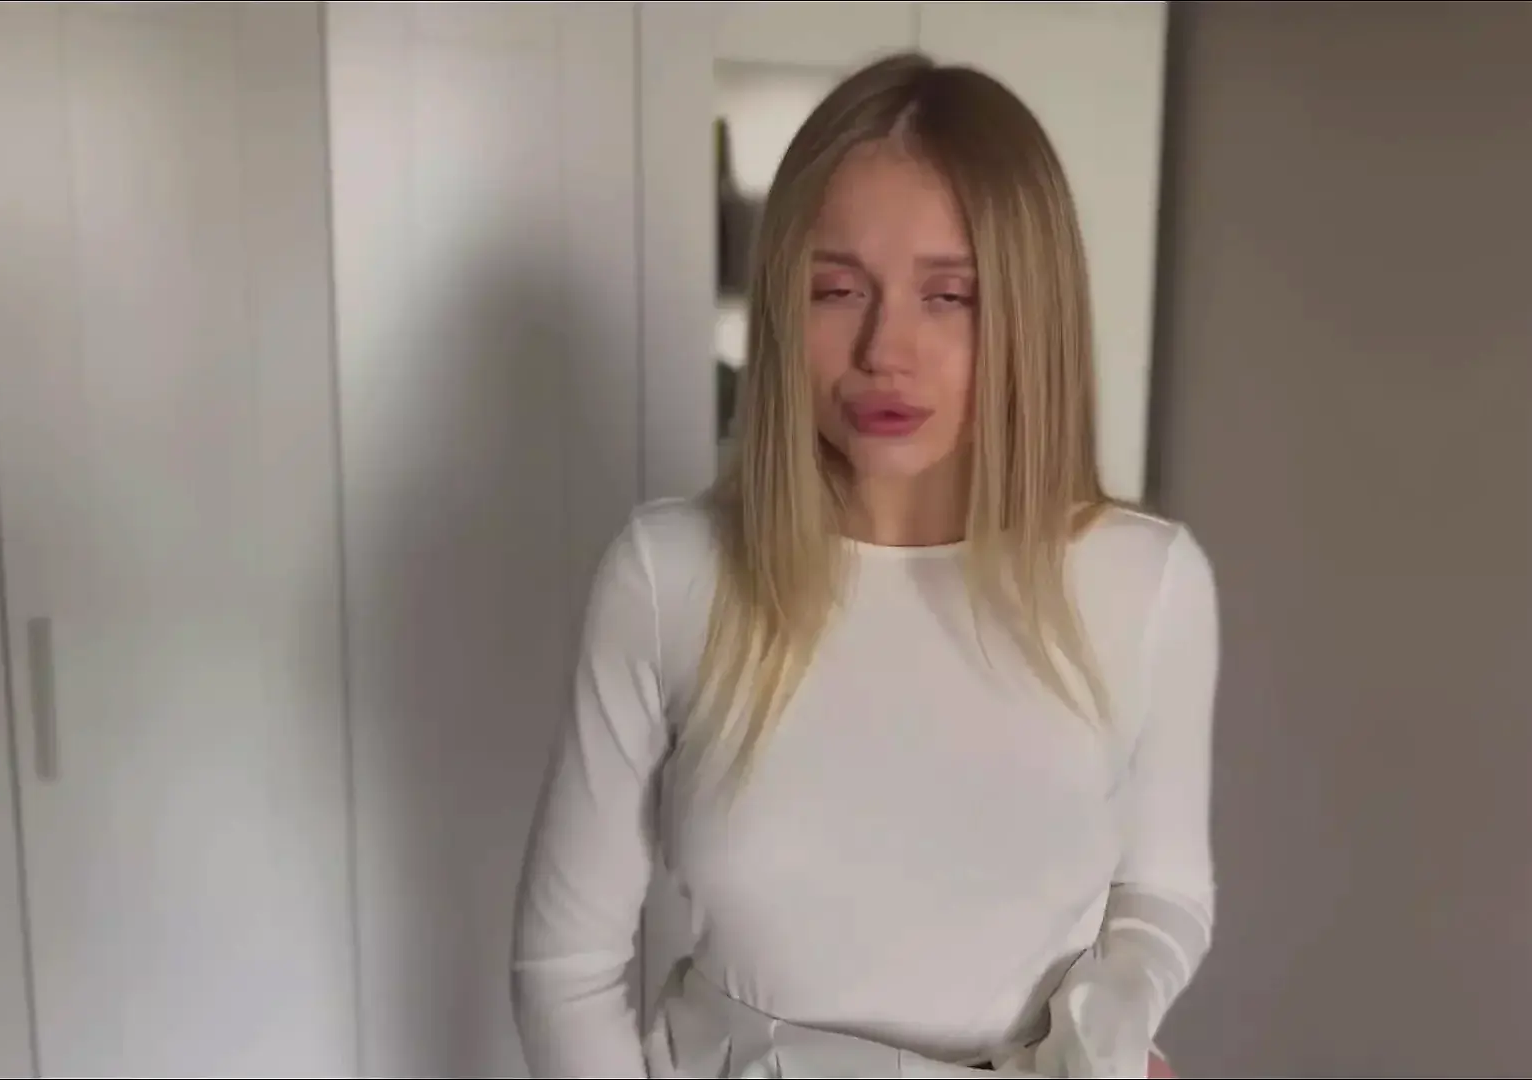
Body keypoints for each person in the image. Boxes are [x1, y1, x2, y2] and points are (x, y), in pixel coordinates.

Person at [512, 51, 1220, 1079]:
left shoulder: (1145, 584)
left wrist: (1110, 1030)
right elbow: (565, 967)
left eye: (950, 295)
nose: (886, 349)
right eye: (838, 289)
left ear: (1031, 315)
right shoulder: (669, 577)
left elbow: (1165, 888)